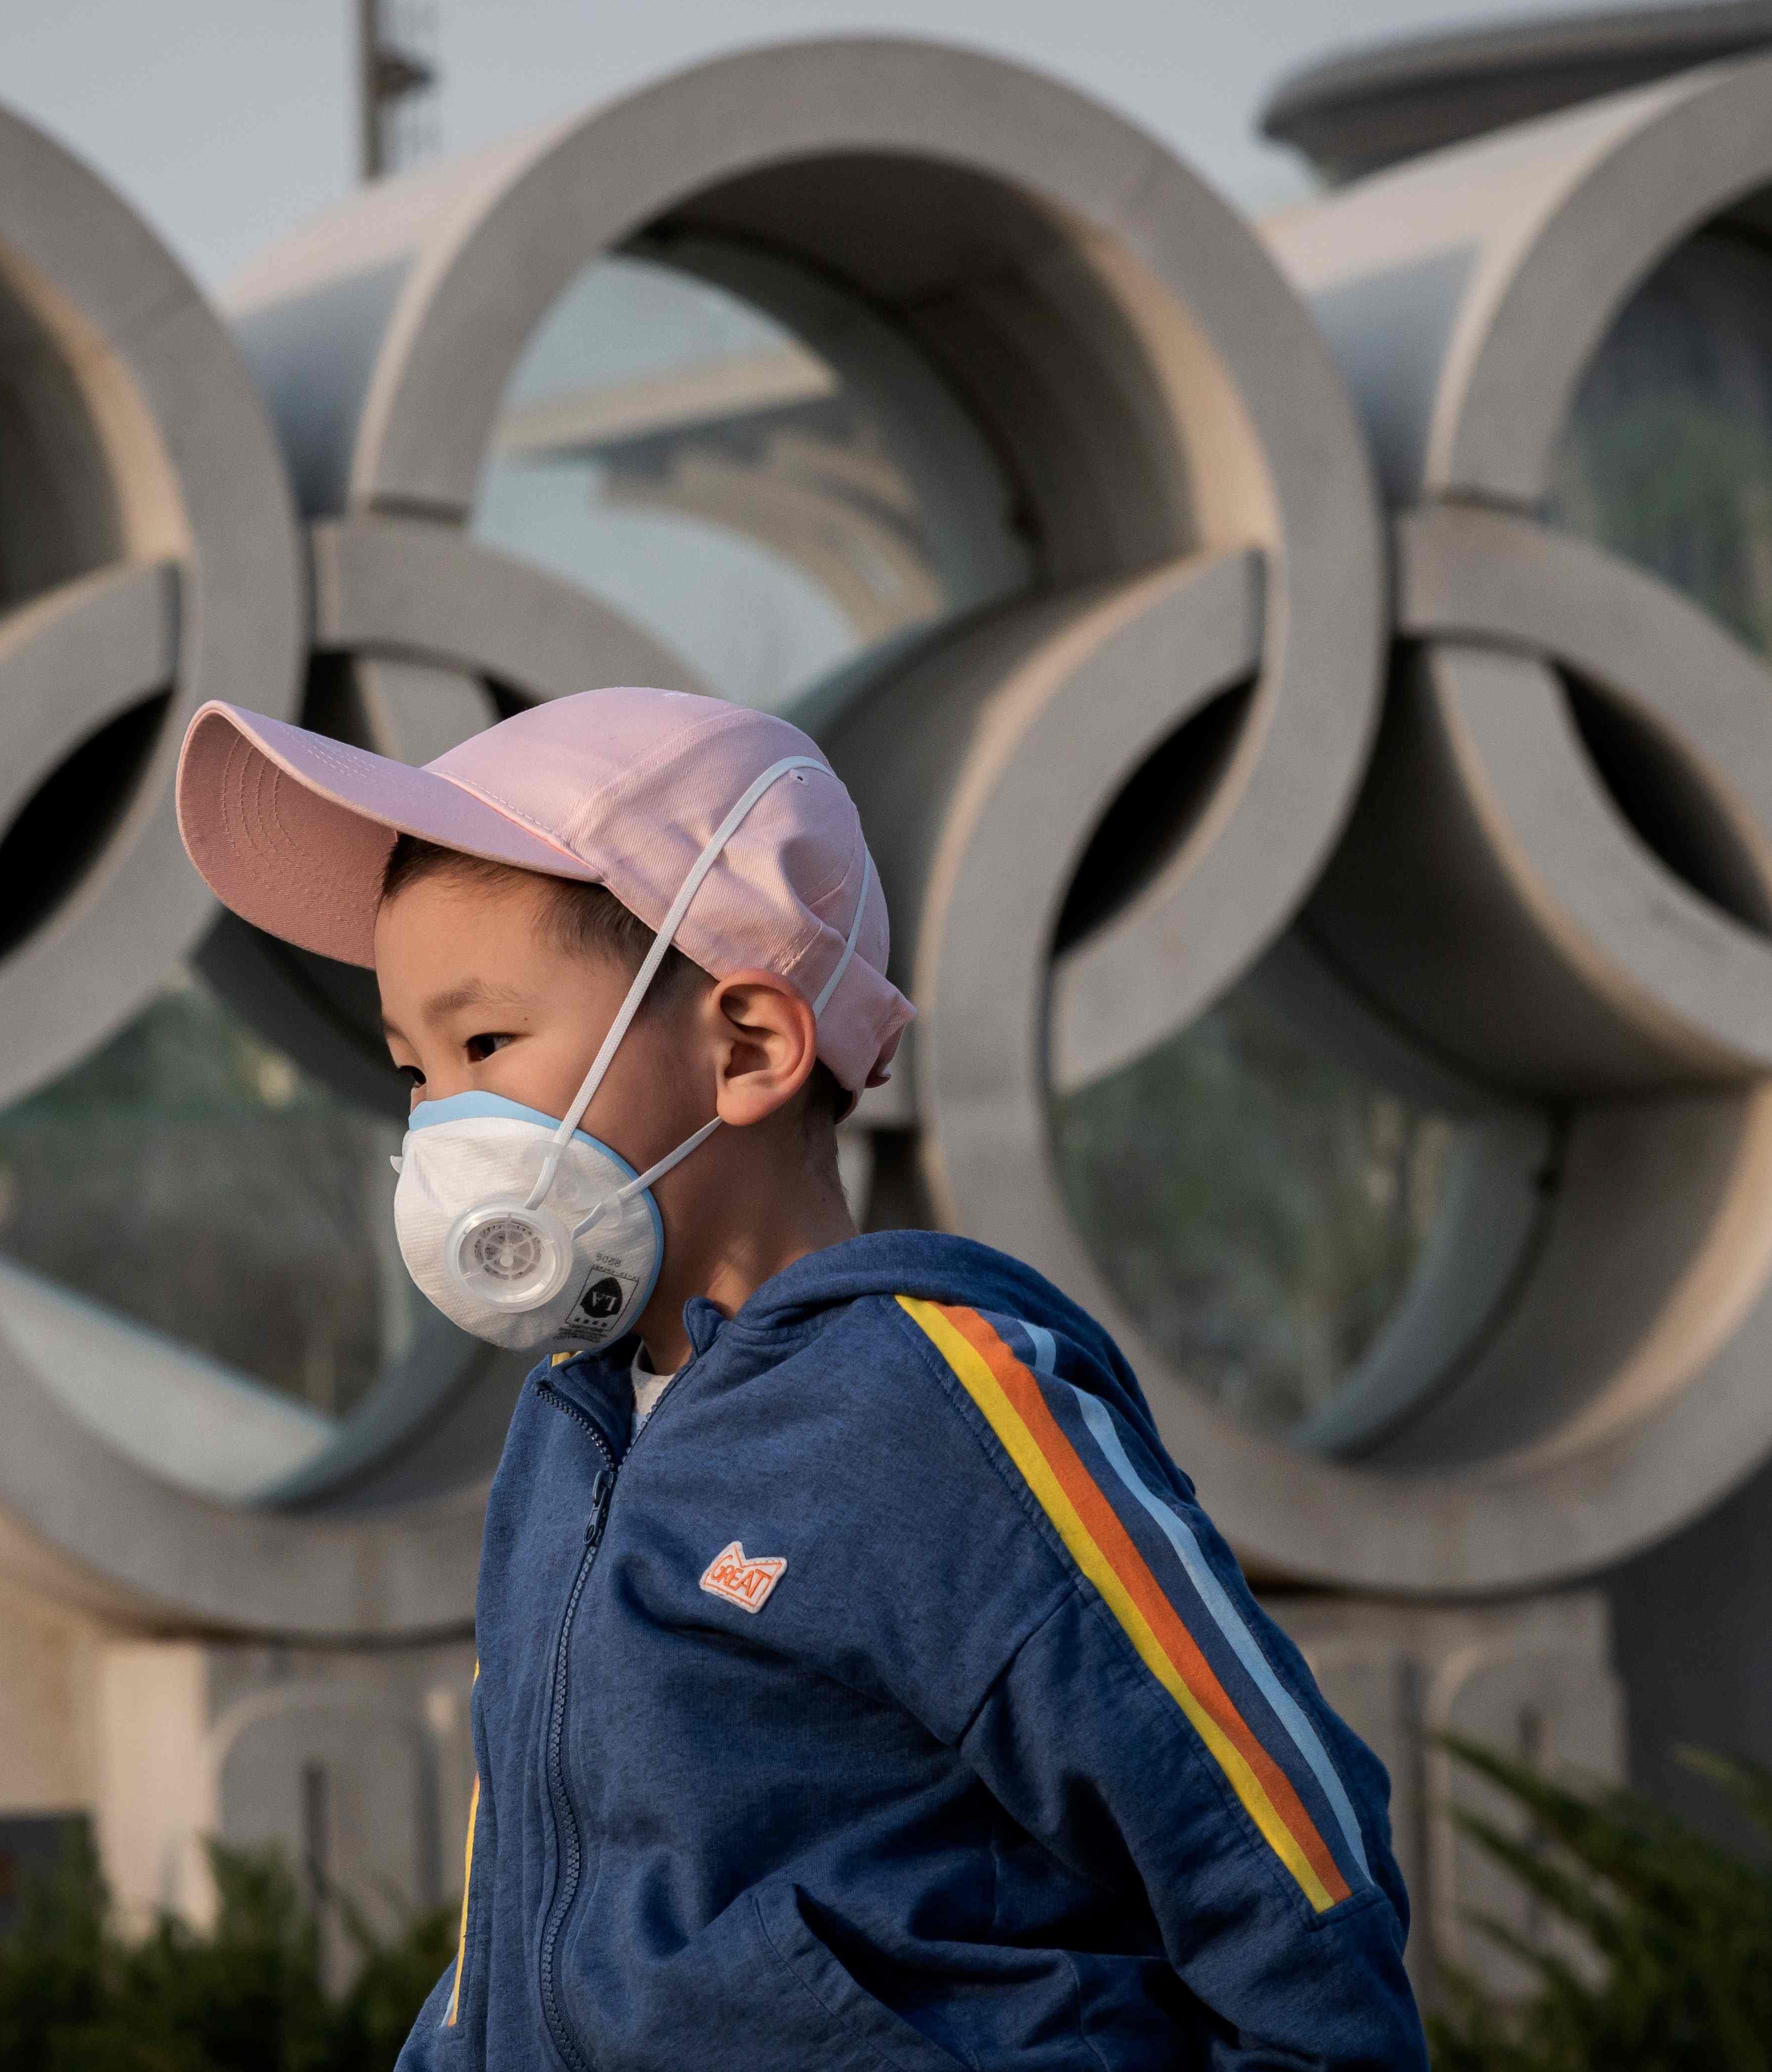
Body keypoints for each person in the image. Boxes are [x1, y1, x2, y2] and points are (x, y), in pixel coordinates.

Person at [175, 685, 1425, 2072]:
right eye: (414, 1069)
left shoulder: (935, 1403)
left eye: (484, 1046)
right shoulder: (565, 1431)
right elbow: (528, 1894)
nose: (440, 1123)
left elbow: (1269, 1830)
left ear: (749, 1046)